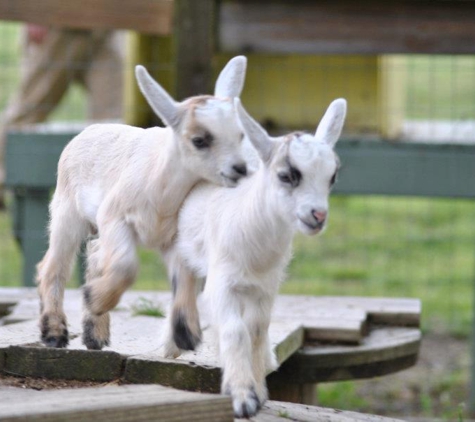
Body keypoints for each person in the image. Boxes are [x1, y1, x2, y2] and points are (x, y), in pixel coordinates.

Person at [0, 24, 124, 207]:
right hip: (59, 24)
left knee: (114, 122)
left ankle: (103, 202)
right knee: (27, 111)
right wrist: (36, 13)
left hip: (105, 25)